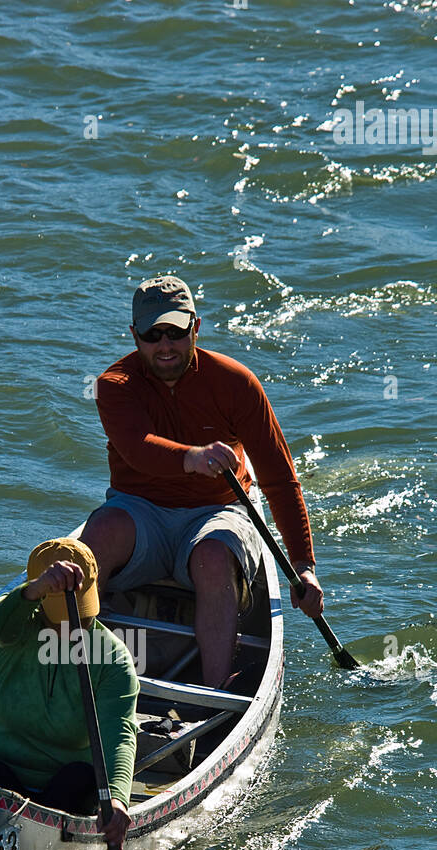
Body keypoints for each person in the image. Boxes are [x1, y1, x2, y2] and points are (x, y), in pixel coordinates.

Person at [80, 275, 324, 689]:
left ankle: (212, 696)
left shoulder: (237, 384)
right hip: (140, 509)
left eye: (175, 331)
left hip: (218, 510)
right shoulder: (114, 386)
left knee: (213, 557)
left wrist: (304, 567)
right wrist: (193, 457)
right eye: (152, 334)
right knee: (96, 538)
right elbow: (139, 449)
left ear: (195, 327)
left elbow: (279, 479)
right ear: (134, 336)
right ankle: (74, 677)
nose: (165, 345)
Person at [0, 538, 138, 850]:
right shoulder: (14, 628)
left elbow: (119, 733)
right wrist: (33, 590)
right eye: (63, 619)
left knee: (83, 779)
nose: (74, 629)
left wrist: (118, 800)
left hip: (61, 788)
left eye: (83, 616)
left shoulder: (112, 657)